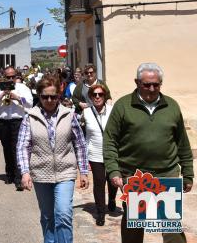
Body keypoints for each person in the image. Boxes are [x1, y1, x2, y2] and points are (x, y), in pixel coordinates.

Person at [104, 63, 193, 243]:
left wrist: (188, 172)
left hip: (166, 173)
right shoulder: (123, 106)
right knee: (134, 227)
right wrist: (114, 170)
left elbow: (182, 142)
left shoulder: (172, 106)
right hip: (136, 176)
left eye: (156, 84)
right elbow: (110, 141)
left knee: (171, 227)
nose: (152, 89)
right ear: (137, 82)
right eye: (146, 84)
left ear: (161, 84)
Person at [17, 75, 89, 243]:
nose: (49, 100)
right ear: (39, 96)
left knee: (63, 214)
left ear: (59, 96)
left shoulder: (69, 115)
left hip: (65, 172)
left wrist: (83, 171)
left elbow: (79, 144)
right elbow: (23, 146)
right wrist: (25, 172)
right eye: (45, 96)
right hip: (41, 173)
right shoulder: (30, 117)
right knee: (48, 216)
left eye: (53, 96)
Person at [0, 66, 33, 190]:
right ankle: (10, 173)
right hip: (3, 121)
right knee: (6, 148)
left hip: (17, 121)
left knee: (17, 148)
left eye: (13, 76)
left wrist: (17, 97)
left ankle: (19, 178)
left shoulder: (22, 88)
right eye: (8, 77)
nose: (11, 79)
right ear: (4, 77)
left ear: (16, 76)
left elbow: (30, 103)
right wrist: (2, 93)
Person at [82, 83, 116, 226]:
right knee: (99, 183)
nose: (97, 97)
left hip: (112, 152)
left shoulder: (113, 111)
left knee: (112, 180)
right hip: (95, 153)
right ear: (90, 97)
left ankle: (112, 199)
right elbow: (83, 135)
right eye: (94, 94)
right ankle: (100, 212)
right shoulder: (86, 113)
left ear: (105, 96)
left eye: (100, 94)